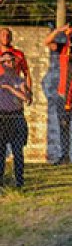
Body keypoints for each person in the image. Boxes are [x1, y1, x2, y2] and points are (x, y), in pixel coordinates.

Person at [44, 19, 72, 165]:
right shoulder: (64, 48)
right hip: (63, 91)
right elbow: (47, 42)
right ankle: (65, 156)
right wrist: (59, 30)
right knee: (63, 124)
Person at [0, 51, 30, 189]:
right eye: (6, 61)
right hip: (3, 118)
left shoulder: (19, 80)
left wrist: (10, 88)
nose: (9, 63)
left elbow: (26, 98)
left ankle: (19, 181)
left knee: (18, 151)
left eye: (12, 60)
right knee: (1, 152)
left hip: (17, 116)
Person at [0, 28, 32, 98]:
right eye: (3, 35)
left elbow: (27, 74)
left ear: (11, 38)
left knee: (16, 109)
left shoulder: (18, 54)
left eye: (8, 35)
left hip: (14, 92)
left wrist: (28, 92)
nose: (5, 37)